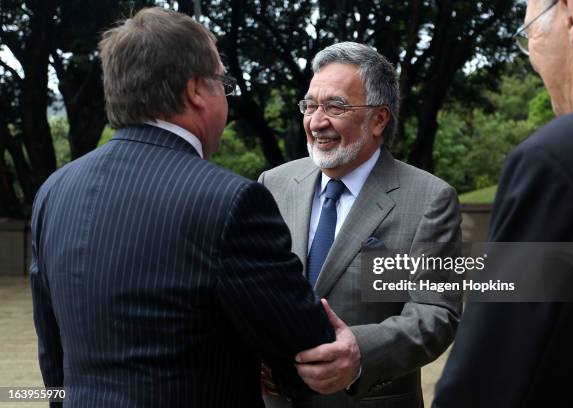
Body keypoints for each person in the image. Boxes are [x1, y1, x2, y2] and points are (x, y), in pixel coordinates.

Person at [29, 7, 334, 407]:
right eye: (222, 80)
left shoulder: (54, 191)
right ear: (195, 90)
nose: (226, 93)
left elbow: (52, 353)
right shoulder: (231, 201)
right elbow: (304, 344)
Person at [259, 42, 463, 408]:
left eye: (335, 106)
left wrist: (360, 352)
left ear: (379, 119)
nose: (316, 121)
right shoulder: (273, 184)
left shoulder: (429, 199)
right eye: (310, 105)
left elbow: (435, 313)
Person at [433, 1, 573, 407]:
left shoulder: (563, 159)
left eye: (527, 34)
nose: (531, 57)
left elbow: (494, 382)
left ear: (572, 16)